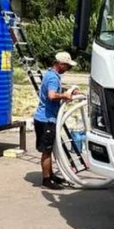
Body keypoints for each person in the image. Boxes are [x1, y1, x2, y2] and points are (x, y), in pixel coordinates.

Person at [34, 51, 82, 190]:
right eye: (67, 66)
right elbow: (52, 95)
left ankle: (50, 175)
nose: (68, 69)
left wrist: (69, 91)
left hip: (45, 118)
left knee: (51, 149)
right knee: (47, 151)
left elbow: (55, 90)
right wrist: (65, 96)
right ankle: (46, 180)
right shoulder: (53, 78)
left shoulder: (50, 74)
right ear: (60, 64)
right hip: (46, 119)